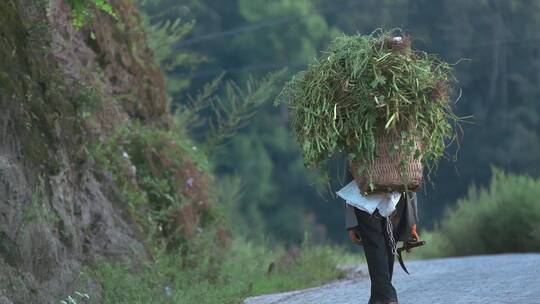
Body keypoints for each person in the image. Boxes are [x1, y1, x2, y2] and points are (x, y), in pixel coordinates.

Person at [340, 170, 419, 304]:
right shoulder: (400, 151)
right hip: (394, 197)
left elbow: (350, 175)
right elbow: (411, 178)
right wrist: (412, 224)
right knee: (388, 245)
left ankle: (387, 296)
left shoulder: (355, 150)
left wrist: (351, 223)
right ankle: (381, 296)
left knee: (376, 246)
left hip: (365, 198)